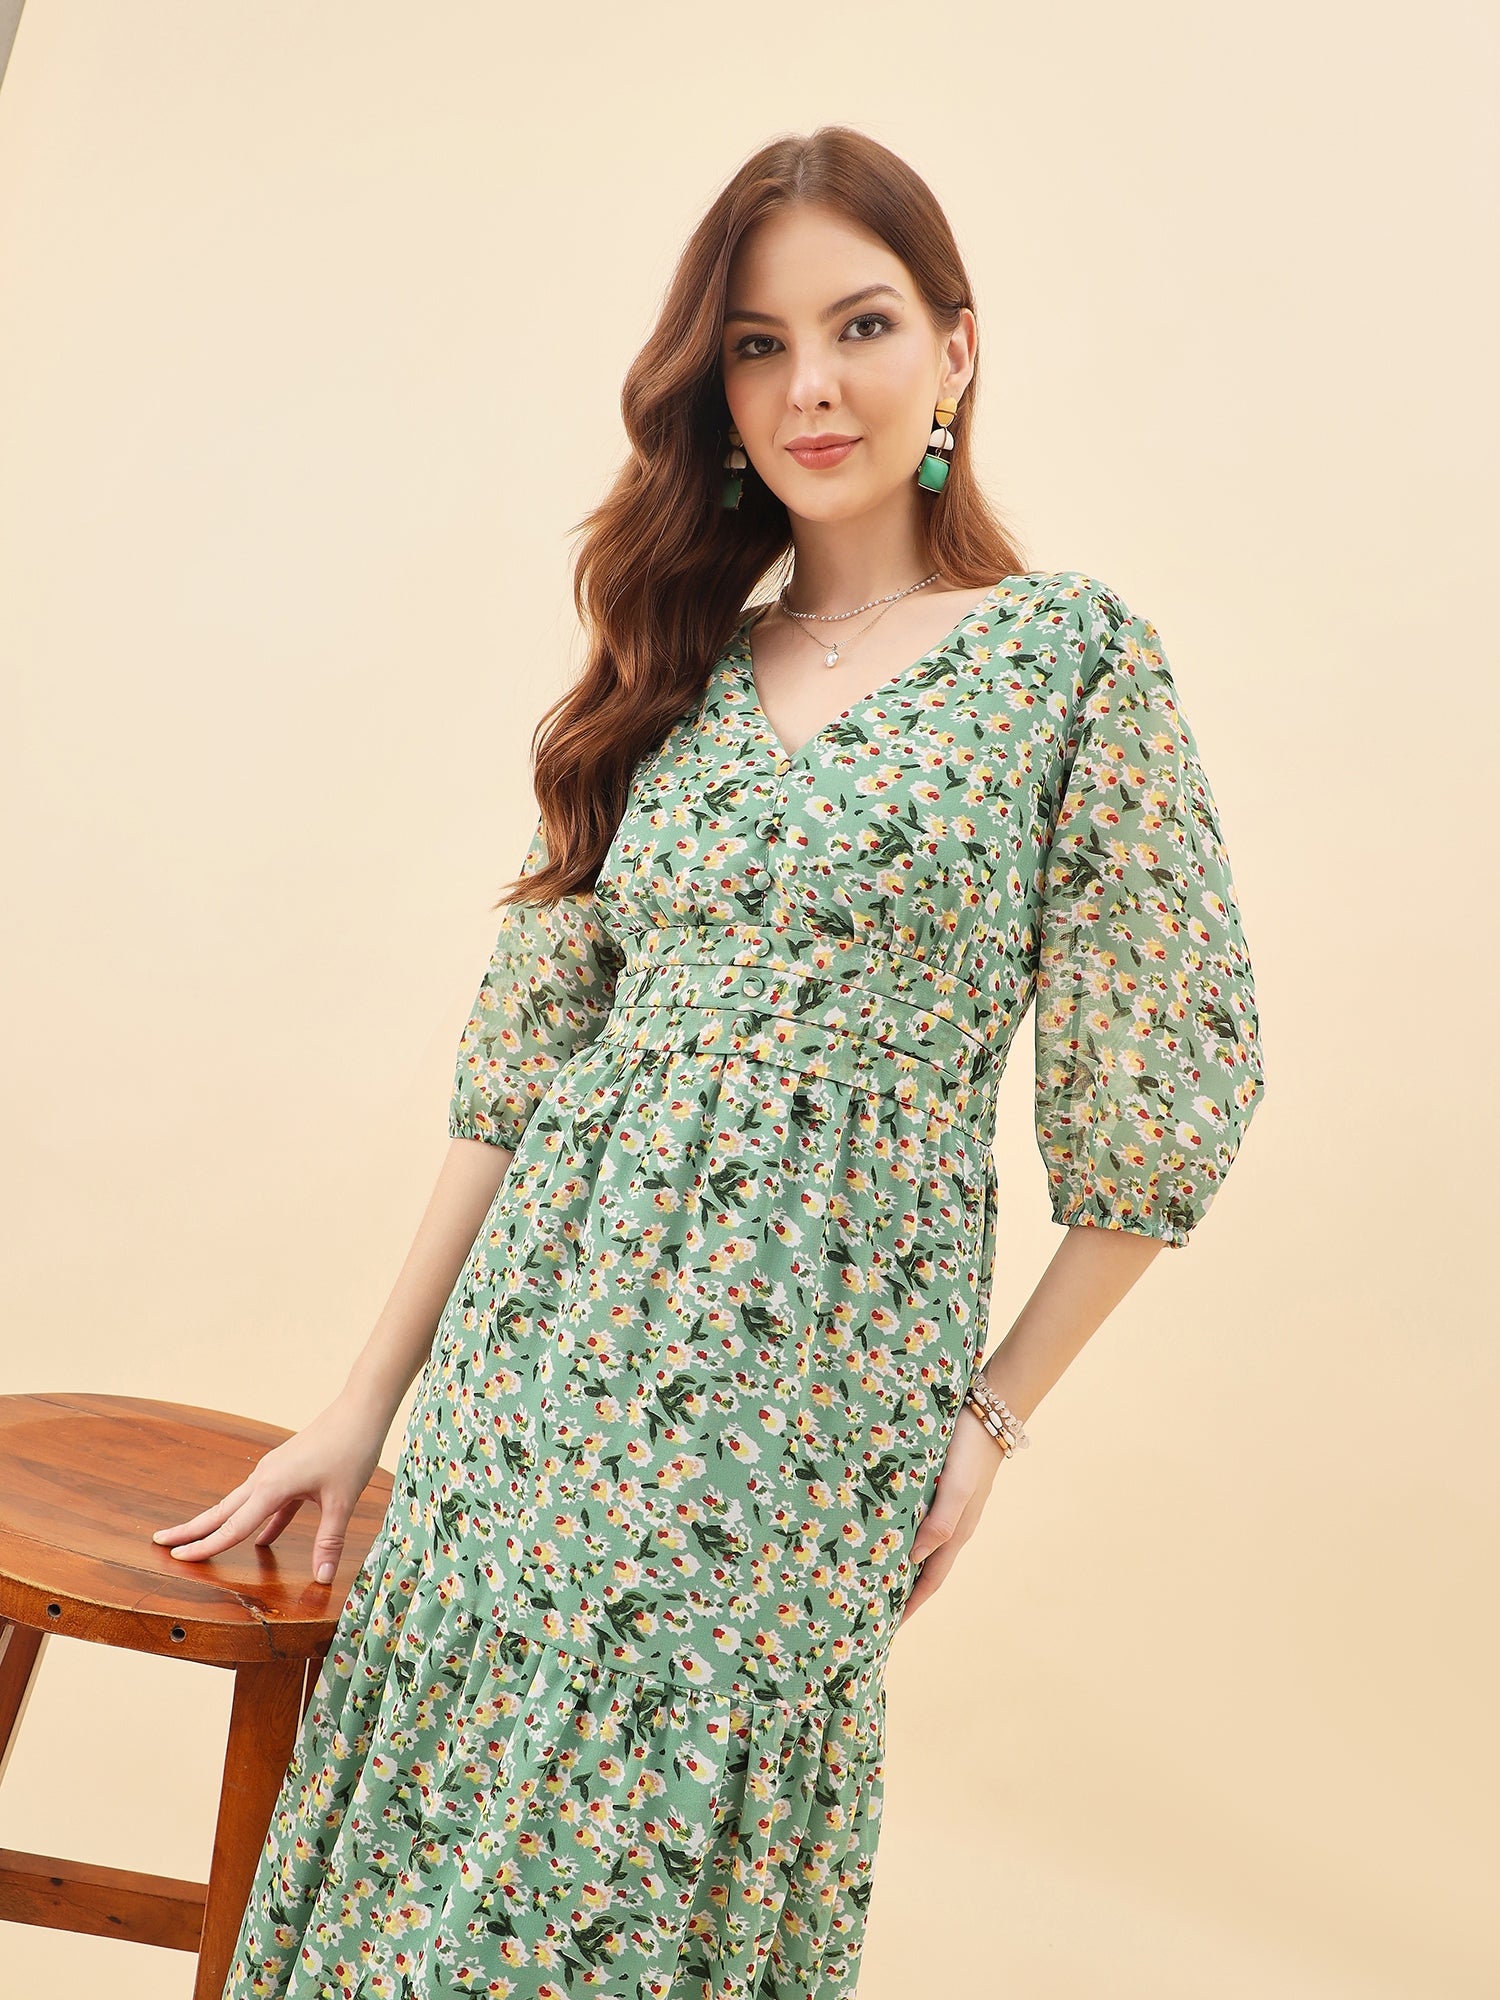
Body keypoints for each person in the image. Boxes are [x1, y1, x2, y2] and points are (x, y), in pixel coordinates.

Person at [155, 125, 1266, 2000]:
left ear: (958, 351)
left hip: (811, 1393)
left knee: (649, 1870)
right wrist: (369, 1402)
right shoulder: (671, 664)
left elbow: (1170, 1090)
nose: (811, 384)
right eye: (757, 345)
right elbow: (525, 1067)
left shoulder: (1071, 662)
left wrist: (987, 1423)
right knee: (440, 1843)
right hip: (539, 1359)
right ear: (715, 386)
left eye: (860, 323)